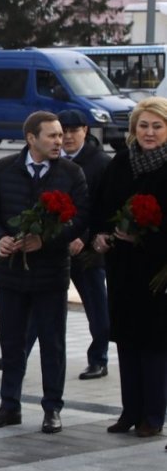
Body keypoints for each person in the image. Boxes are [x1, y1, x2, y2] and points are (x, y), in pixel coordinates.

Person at [0, 111, 87, 434]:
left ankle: (52, 408)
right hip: (11, 273)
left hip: (51, 273)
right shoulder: (4, 169)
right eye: (52, 135)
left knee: (52, 344)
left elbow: (80, 218)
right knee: (11, 343)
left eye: (61, 134)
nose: (60, 140)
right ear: (31, 139)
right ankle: (9, 406)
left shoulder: (71, 172)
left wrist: (46, 239)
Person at [0, 110, 112, 378]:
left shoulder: (96, 163)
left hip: (84, 251)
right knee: (33, 313)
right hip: (44, 252)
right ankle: (15, 357)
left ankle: (98, 357)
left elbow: (96, 208)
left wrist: (83, 237)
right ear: (34, 138)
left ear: (85, 132)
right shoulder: (35, 163)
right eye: (59, 132)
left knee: (96, 306)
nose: (65, 138)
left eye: (72, 132)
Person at [91, 97, 167, 439]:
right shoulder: (121, 162)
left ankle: (153, 414)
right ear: (134, 128)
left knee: (153, 344)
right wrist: (101, 236)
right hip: (121, 267)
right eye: (144, 125)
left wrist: (145, 241)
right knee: (126, 339)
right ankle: (129, 410)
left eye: (157, 126)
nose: (149, 133)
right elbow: (100, 207)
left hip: (157, 271)